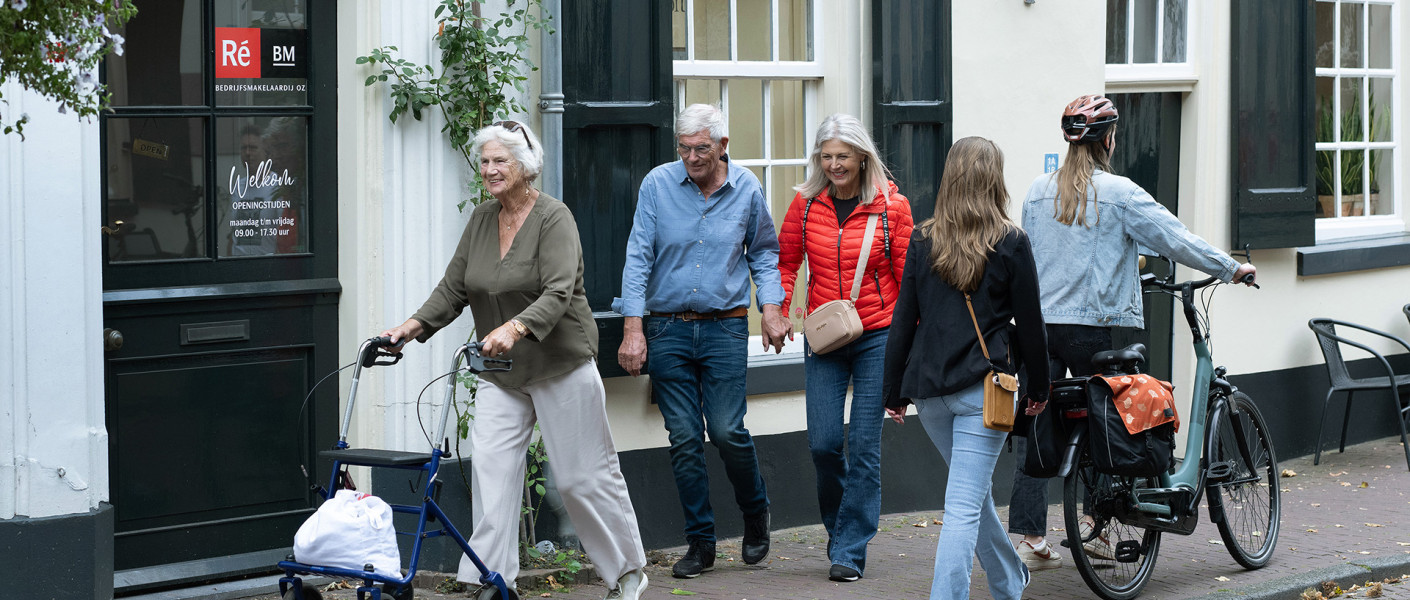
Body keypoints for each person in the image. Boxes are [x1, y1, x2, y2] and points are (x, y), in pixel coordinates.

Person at [381, 121, 649, 600]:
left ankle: (627, 571)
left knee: (580, 476)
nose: (489, 169)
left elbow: (559, 290)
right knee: (491, 470)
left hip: (559, 363)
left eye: (499, 160)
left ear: (525, 166)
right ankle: (492, 577)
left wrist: (515, 327)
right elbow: (454, 287)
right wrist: (411, 327)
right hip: (502, 373)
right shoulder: (484, 219)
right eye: (484, 161)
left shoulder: (554, 217)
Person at [1008, 94, 1257, 567]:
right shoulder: (1120, 193)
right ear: (1111, 139)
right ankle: (1094, 529)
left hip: (1041, 329)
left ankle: (1027, 537)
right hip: (1096, 327)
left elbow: (1033, 262)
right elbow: (1176, 239)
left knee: (1037, 424)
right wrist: (1231, 268)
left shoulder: (1037, 192)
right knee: (1109, 424)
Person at [614, 103, 791, 579]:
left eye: (702, 149)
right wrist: (633, 329)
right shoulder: (657, 185)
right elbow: (638, 258)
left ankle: (756, 513)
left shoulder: (747, 188)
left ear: (723, 146)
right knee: (686, 437)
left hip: (726, 328)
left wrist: (771, 309)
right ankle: (701, 542)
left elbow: (765, 254)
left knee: (729, 430)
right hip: (668, 328)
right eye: (685, 148)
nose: (692, 157)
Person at [882, 136, 1050, 600]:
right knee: (962, 508)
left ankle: (1008, 579)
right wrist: (1040, 386)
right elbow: (1032, 325)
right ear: (993, 179)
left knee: (967, 498)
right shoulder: (1011, 241)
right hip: (985, 392)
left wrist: (892, 391)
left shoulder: (923, 238)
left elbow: (903, 321)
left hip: (930, 392)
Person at [775, 114, 912, 582]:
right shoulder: (806, 205)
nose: (835, 165)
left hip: (878, 334)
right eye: (826, 156)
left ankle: (850, 550)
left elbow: (907, 281)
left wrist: (908, 349)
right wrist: (776, 308)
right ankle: (840, 531)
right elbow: (786, 261)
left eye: (843, 156)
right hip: (826, 337)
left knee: (864, 446)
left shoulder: (891, 208)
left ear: (862, 156)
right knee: (825, 443)